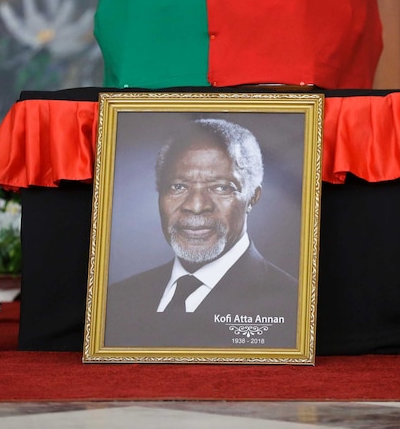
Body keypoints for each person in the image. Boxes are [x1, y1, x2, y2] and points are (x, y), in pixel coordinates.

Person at [104, 118, 299, 348]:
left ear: (253, 197)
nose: (196, 205)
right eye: (178, 186)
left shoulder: (293, 304)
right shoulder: (116, 300)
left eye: (221, 187)